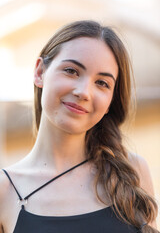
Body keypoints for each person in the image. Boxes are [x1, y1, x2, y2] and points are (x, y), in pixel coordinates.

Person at [0, 20, 158, 233]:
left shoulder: (132, 171)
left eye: (102, 83)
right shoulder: (5, 189)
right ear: (39, 72)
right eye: (71, 71)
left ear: (110, 101)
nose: (84, 92)